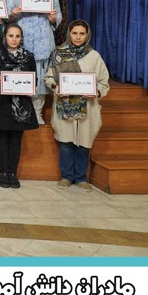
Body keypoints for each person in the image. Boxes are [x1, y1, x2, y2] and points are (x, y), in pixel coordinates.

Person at [45, 20, 110, 192]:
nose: (78, 37)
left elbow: (104, 82)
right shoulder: (58, 53)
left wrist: (95, 92)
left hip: (88, 107)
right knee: (66, 142)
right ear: (69, 34)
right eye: (74, 33)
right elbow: (48, 77)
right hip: (64, 105)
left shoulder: (94, 56)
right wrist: (55, 86)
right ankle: (66, 176)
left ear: (87, 35)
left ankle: (81, 178)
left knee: (84, 142)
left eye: (82, 33)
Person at [6, 0, 61, 124]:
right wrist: (13, 14)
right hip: (22, 41)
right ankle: (23, 111)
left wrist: (53, 18)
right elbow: (6, 18)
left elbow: (58, 16)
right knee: (24, 75)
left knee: (41, 77)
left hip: (43, 41)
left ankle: (37, 113)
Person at [0, 23, 39, 188]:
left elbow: (34, 79)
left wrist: (32, 88)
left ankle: (12, 174)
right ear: (5, 37)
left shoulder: (29, 57)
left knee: (16, 141)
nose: (14, 39)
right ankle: (3, 173)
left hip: (21, 106)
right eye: (11, 36)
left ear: (21, 38)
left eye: (17, 36)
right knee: (2, 140)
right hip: (1, 104)